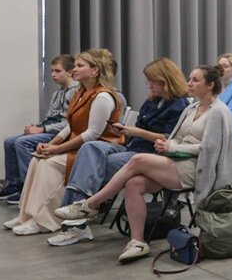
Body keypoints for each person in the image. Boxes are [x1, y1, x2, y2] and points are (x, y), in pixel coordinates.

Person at [53, 65, 232, 263]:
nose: (189, 83)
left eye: (195, 80)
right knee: (134, 184)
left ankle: (89, 205)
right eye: (190, 78)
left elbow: (209, 150)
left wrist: (172, 148)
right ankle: (138, 242)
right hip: (176, 161)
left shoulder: (219, 112)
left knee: (137, 159)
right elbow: (177, 138)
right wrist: (168, 144)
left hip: (196, 168)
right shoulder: (192, 108)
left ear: (210, 85)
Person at [47, 57, 190, 246]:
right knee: (90, 147)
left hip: (151, 155)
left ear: (165, 80)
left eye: (152, 81)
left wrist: (136, 131)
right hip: (131, 147)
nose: (149, 86)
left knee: (94, 166)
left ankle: (77, 220)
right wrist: (123, 130)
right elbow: (136, 133)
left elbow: (170, 139)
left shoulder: (179, 106)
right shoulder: (151, 102)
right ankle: (79, 213)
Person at [4, 49, 123, 235]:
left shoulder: (102, 97)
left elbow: (93, 134)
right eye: (75, 65)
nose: (74, 69)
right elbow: (71, 125)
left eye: (79, 66)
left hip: (95, 150)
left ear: (95, 71)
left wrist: (57, 149)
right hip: (80, 145)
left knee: (50, 164)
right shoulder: (81, 93)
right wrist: (52, 144)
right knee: (37, 159)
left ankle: (44, 221)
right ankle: (27, 215)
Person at [0, 54, 78, 204]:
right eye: (52, 71)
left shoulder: (76, 93)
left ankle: (30, 188)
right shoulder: (57, 93)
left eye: (58, 71)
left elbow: (69, 123)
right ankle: (15, 184)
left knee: (21, 143)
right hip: (51, 129)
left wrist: (43, 129)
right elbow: (51, 117)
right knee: (10, 141)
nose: (53, 75)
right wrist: (36, 127)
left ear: (70, 72)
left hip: (62, 134)